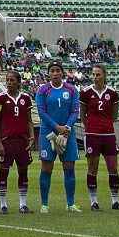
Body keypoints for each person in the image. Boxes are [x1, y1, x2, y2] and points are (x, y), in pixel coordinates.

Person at [35, 59, 81, 214]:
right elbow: (42, 112)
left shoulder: (72, 89)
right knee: (46, 167)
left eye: (57, 70)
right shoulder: (42, 90)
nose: (55, 73)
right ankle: (45, 204)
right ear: (48, 73)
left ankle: (70, 204)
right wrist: (57, 127)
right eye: (52, 71)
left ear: (62, 72)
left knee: (69, 167)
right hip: (48, 133)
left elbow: (75, 110)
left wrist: (67, 127)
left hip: (68, 132)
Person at [80, 63, 119, 211]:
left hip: (108, 134)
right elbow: (83, 114)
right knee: (92, 168)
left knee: (113, 168)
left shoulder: (112, 93)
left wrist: (106, 125)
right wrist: (90, 127)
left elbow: (114, 114)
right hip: (92, 134)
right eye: (93, 74)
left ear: (104, 75)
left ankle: (115, 201)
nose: (95, 77)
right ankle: (94, 202)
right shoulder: (86, 92)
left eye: (98, 74)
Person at [0, 69, 35, 214]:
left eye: (12, 80)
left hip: (22, 140)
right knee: (4, 170)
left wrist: (31, 135)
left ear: (18, 82)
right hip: (7, 140)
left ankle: (23, 204)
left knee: (23, 171)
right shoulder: (0, 98)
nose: (9, 82)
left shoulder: (26, 98)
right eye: (8, 80)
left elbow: (29, 120)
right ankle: (3, 205)